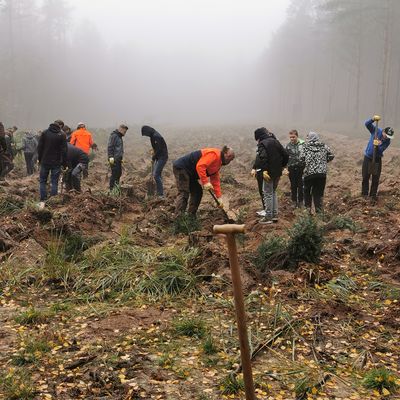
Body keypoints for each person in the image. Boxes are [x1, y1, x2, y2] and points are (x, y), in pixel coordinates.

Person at [173, 146, 235, 216]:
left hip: (190, 173)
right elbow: (200, 166)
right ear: (225, 153)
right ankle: (179, 218)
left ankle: (191, 216)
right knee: (184, 192)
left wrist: (219, 197)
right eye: (229, 157)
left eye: (231, 159)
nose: (229, 160)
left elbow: (215, 180)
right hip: (182, 168)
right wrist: (205, 182)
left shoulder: (218, 163)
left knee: (197, 192)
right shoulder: (214, 154)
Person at [251, 127, 288, 224]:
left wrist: (264, 170)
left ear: (259, 137)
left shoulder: (262, 144)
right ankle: (275, 215)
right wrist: (282, 166)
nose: (257, 141)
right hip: (277, 172)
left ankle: (268, 217)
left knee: (267, 193)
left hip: (268, 173)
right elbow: (285, 155)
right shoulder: (275, 141)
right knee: (273, 192)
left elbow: (263, 157)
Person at [300, 131, 334, 214]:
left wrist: (306, 164)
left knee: (307, 192)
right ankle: (319, 213)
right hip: (321, 174)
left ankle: (308, 212)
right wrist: (323, 162)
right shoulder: (324, 146)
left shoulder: (305, 147)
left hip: (309, 173)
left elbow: (301, 159)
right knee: (318, 193)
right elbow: (331, 155)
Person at [361, 115, 394, 201]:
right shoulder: (376, 130)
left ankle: (373, 195)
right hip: (368, 157)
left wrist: (378, 145)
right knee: (365, 176)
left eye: (388, 137)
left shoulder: (388, 141)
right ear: (383, 132)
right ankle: (364, 194)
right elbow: (367, 124)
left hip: (377, 159)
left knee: (375, 178)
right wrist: (372, 119)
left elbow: (381, 150)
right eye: (386, 135)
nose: (386, 137)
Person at [37, 120, 68, 207]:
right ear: (60, 126)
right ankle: (53, 200)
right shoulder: (62, 135)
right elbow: (64, 151)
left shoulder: (45, 133)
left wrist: (39, 159)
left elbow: (40, 147)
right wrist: (64, 164)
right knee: (54, 181)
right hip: (56, 162)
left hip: (45, 161)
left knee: (42, 181)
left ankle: (43, 199)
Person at [141, 125, 168, 197]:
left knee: (156, 175)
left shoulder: (156, 136)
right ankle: (159, 191)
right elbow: (155, 148)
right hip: (159, 157)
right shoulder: (152, 136)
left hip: (162, 157)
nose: (146, 135)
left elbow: (159, 149)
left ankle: (160, 194)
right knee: (157, 174)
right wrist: (153, 152)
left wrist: (154, 157)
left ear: (147, 131)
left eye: (145, 134)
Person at [285, 129, 305, 207]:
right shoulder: (288, 146)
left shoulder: (302, 145)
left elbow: (306, 155)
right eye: (290, 137)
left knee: (300, 185)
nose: (292, 139)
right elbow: (285, 158)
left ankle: (300, 201)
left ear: (297, 136)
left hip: (301, 168)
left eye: (293, 137)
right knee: (293, 185)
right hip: (291, 168)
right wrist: (285, 168)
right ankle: (294, 201)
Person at [108, 124, 128, 191]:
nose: (125, 133)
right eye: (124, 132)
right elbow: (110, 146)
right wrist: (111, 157)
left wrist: (121, 158)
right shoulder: (114, 136)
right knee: (114, 174)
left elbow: (119, 149)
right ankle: (111, 189)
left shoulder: (119, 137)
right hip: (113, 159)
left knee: (119, 173)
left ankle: (116, 188)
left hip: (118, 159)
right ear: (121, 129)